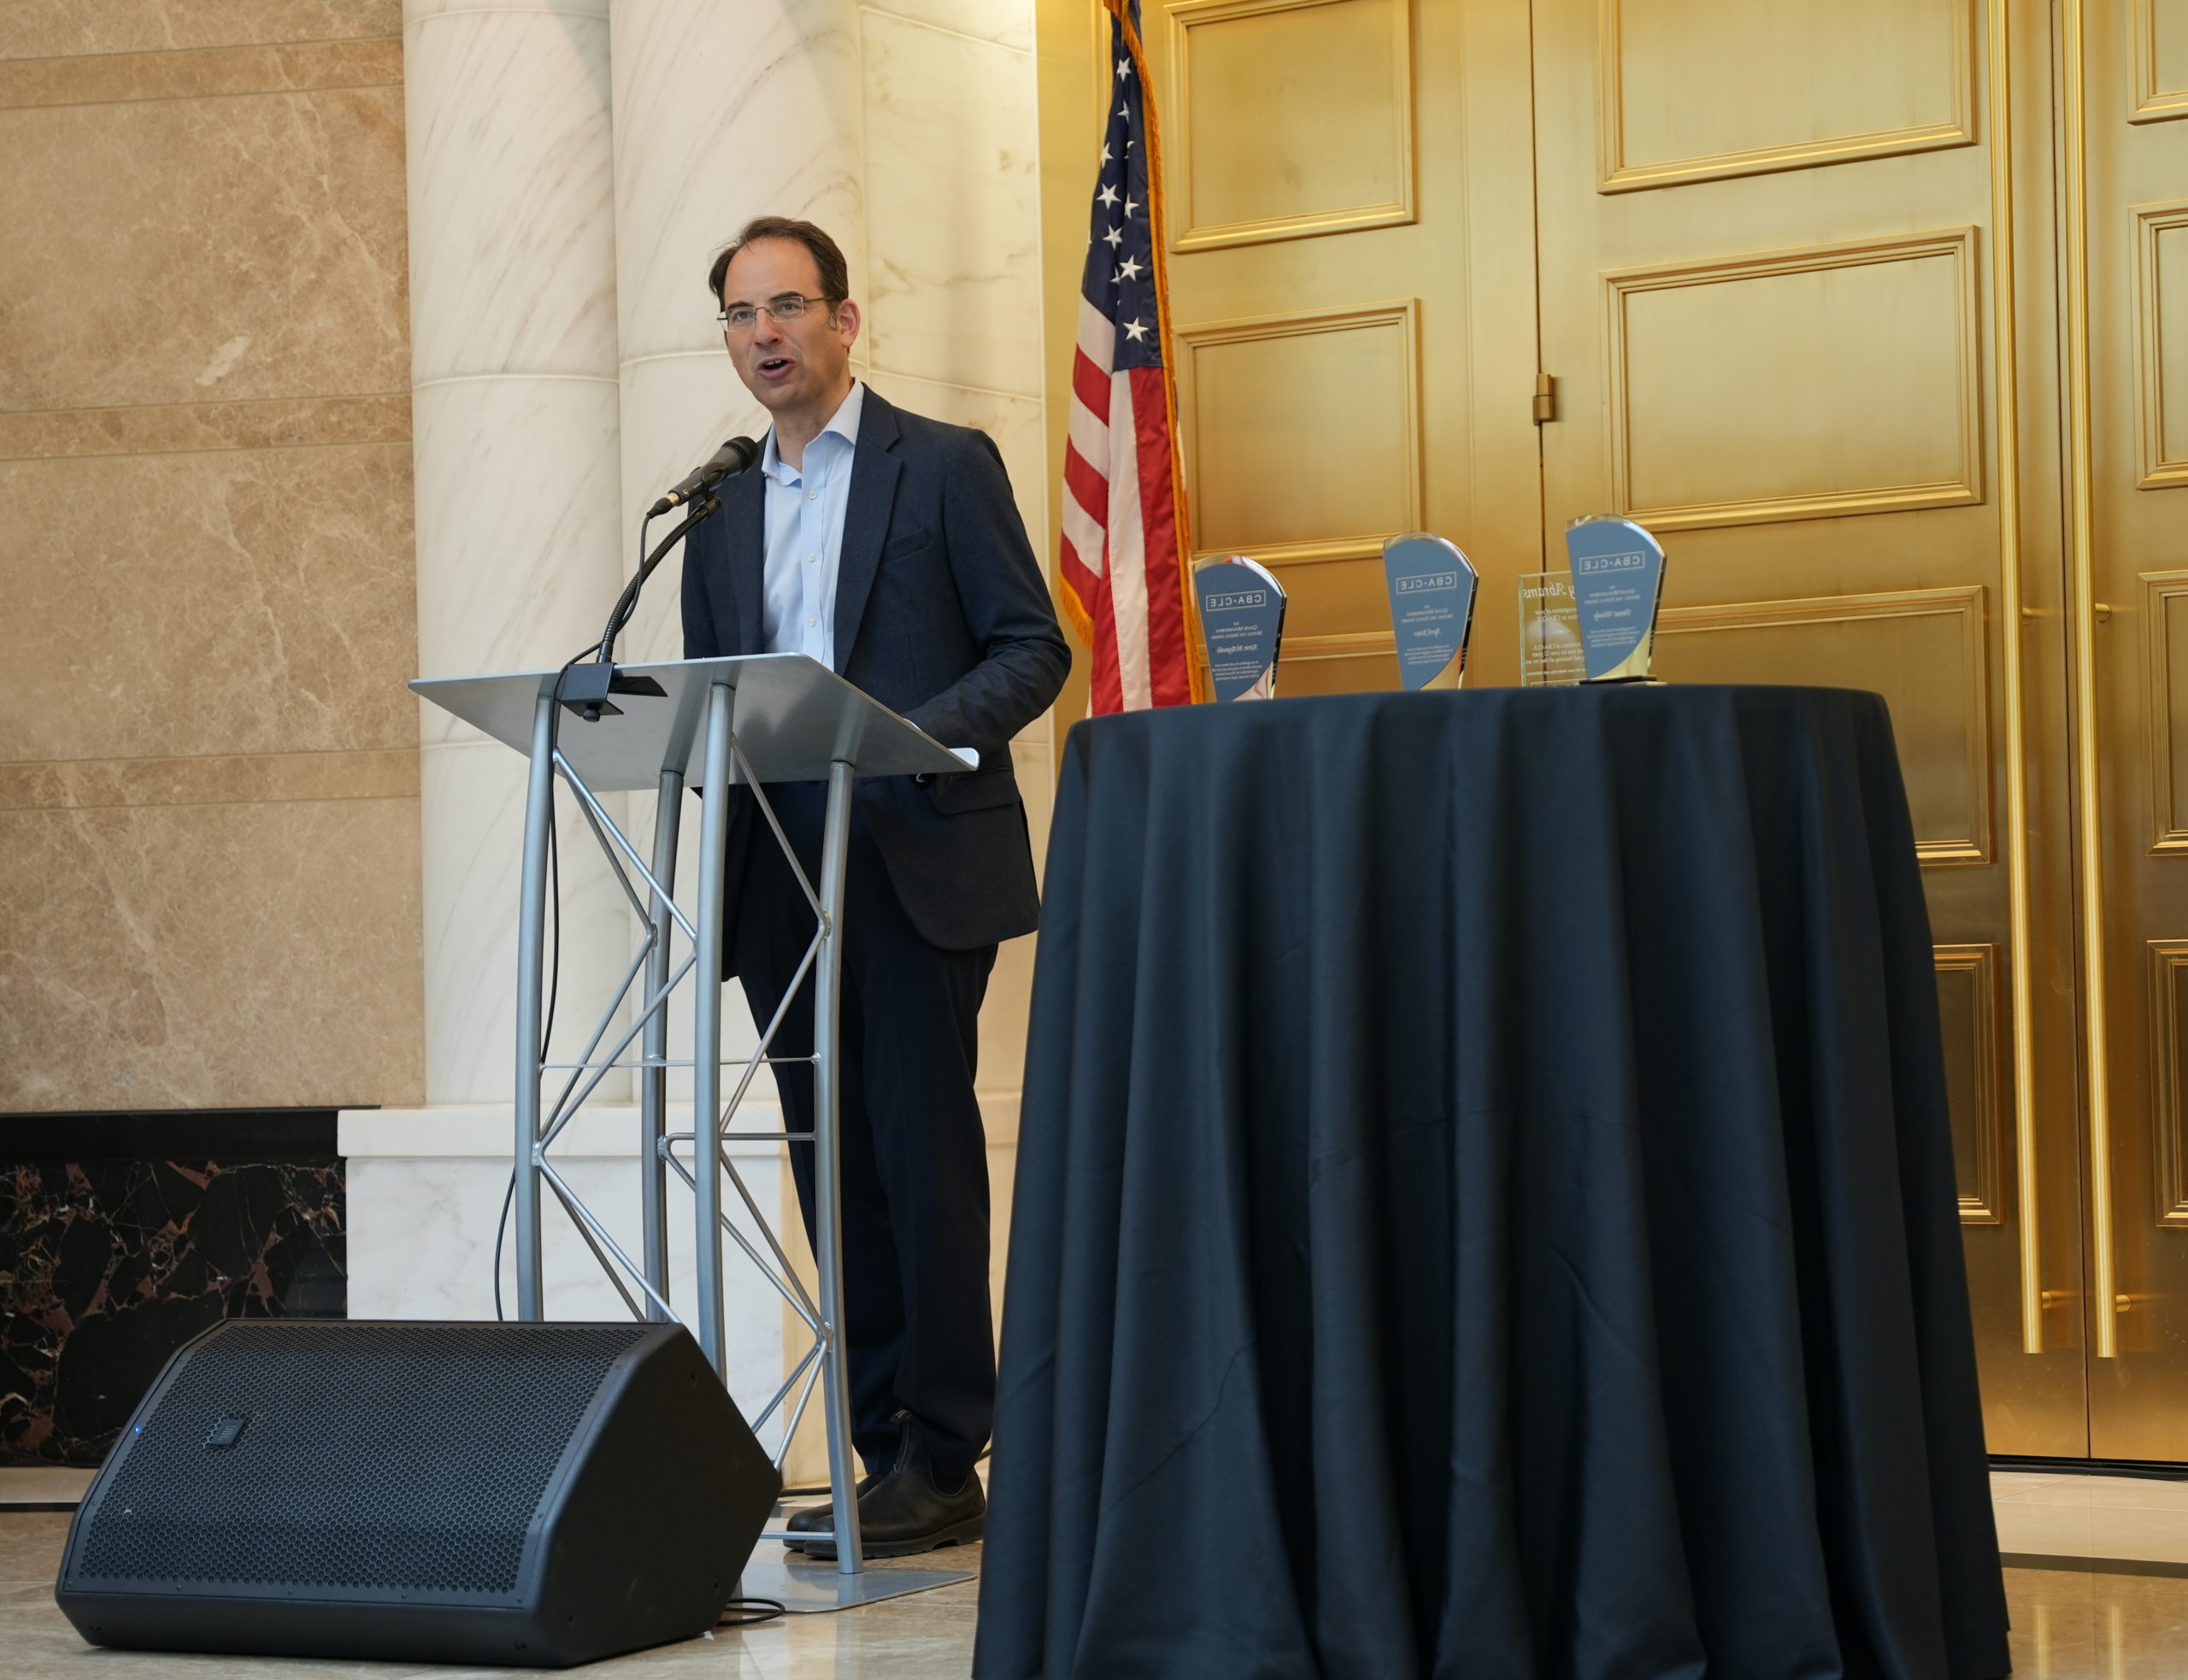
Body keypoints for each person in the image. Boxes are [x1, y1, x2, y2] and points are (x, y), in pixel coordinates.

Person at [679, 216, 1069, 1557]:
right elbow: (713, 698)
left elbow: (1032, 648)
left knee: (917, 1150)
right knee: (827, 1165)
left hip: (909, 851)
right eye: (742, 314)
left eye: (789, 305)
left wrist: (906, 743)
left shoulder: (945, 468)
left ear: (848, 320)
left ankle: (946, 1447)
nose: (767, 332)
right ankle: (877, 1443)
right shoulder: (719, 503)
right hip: (784, 873)